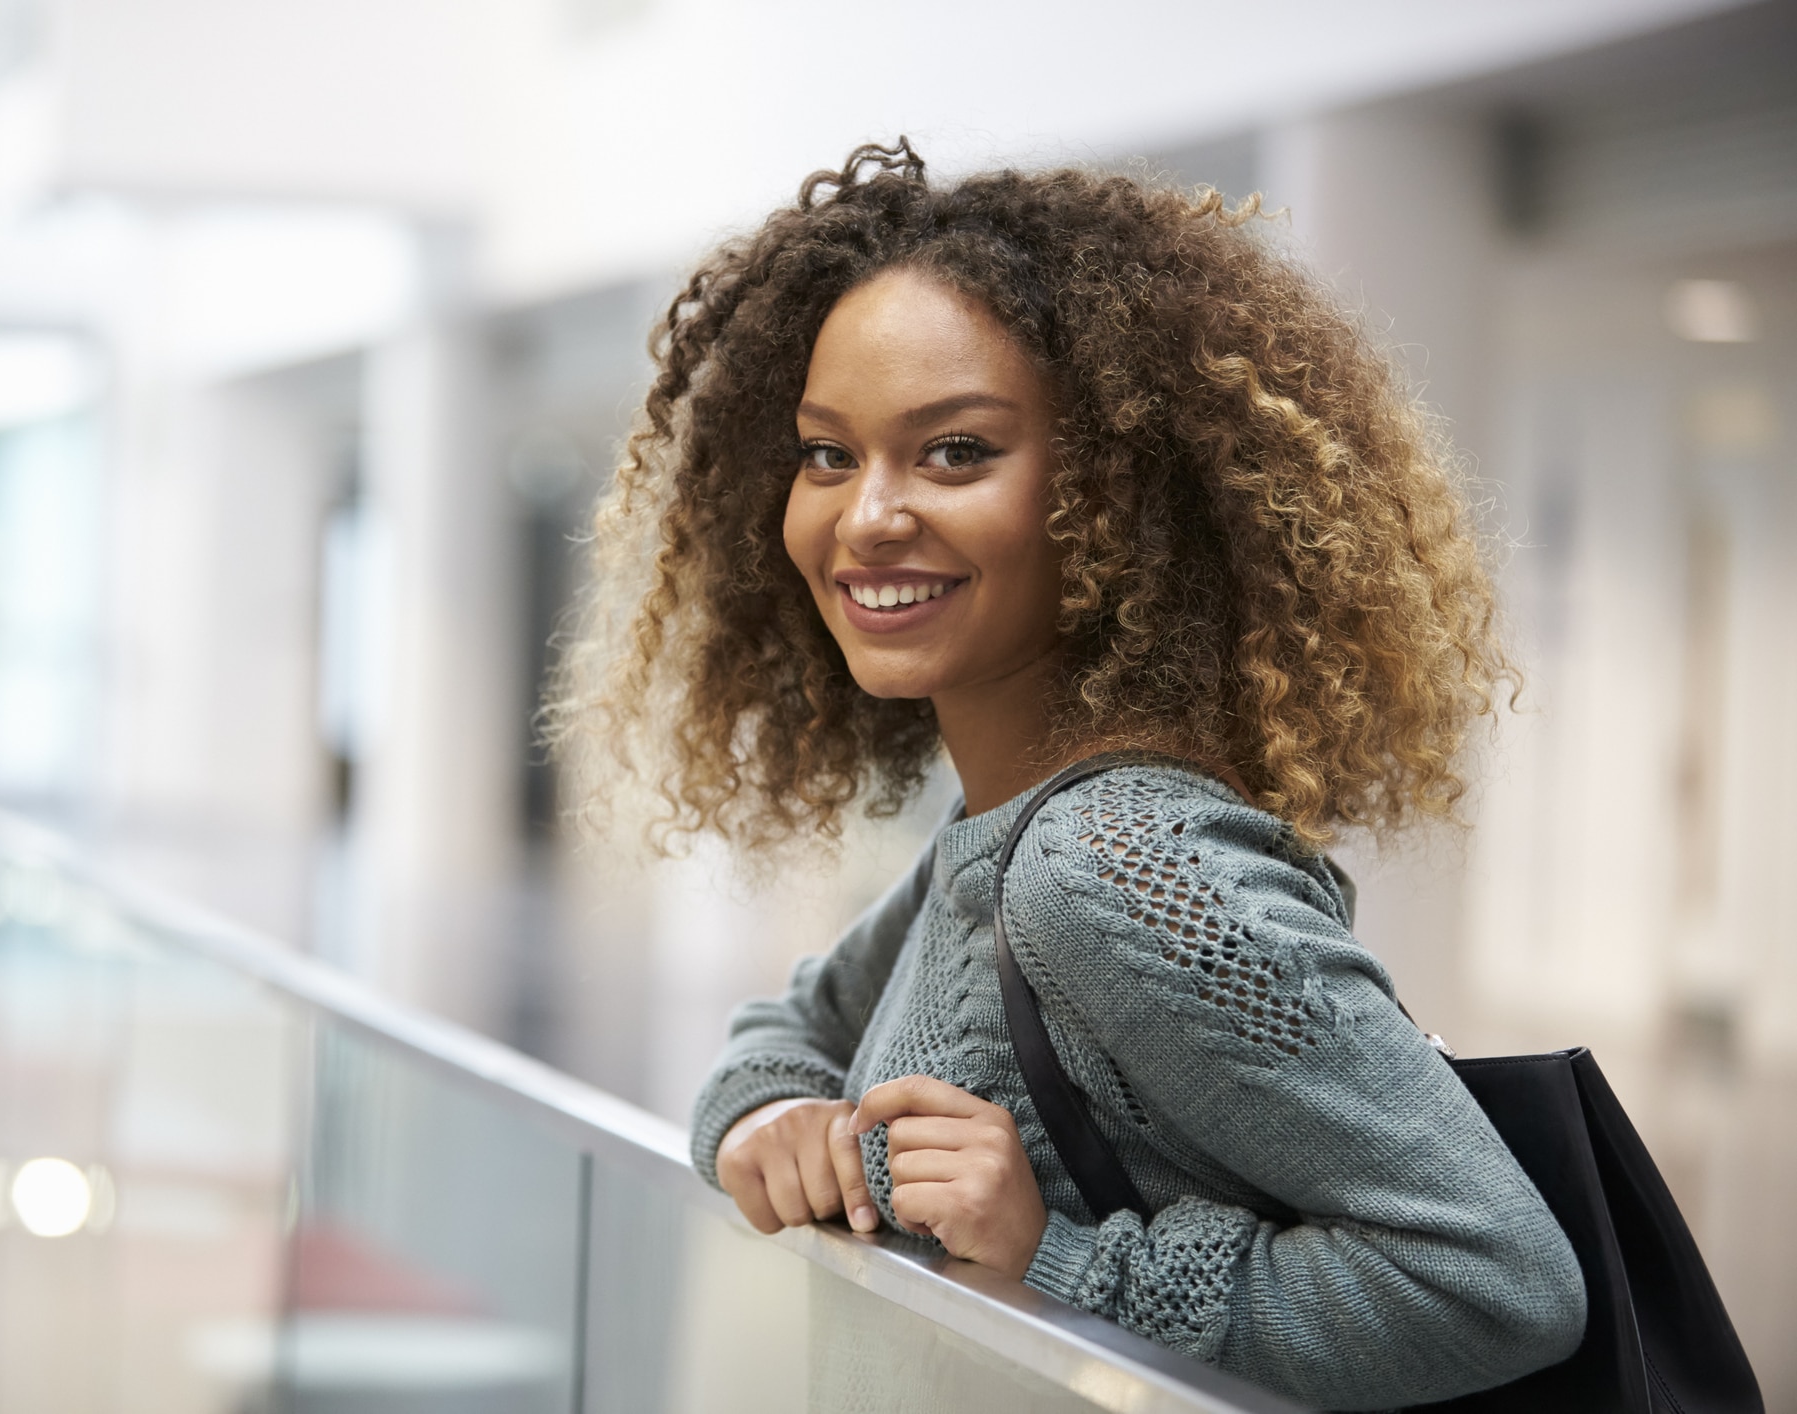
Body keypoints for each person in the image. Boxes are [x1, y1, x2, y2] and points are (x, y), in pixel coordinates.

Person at [550, 143, 1585, 1409]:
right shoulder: (1002, 822)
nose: (866, 515)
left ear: (1114, 495)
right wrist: (773, 1124)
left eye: (953, 453)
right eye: (828, 453)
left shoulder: (1115, 864)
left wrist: (1064, 1257)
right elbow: (786, 1032)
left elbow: (1493, 1276)